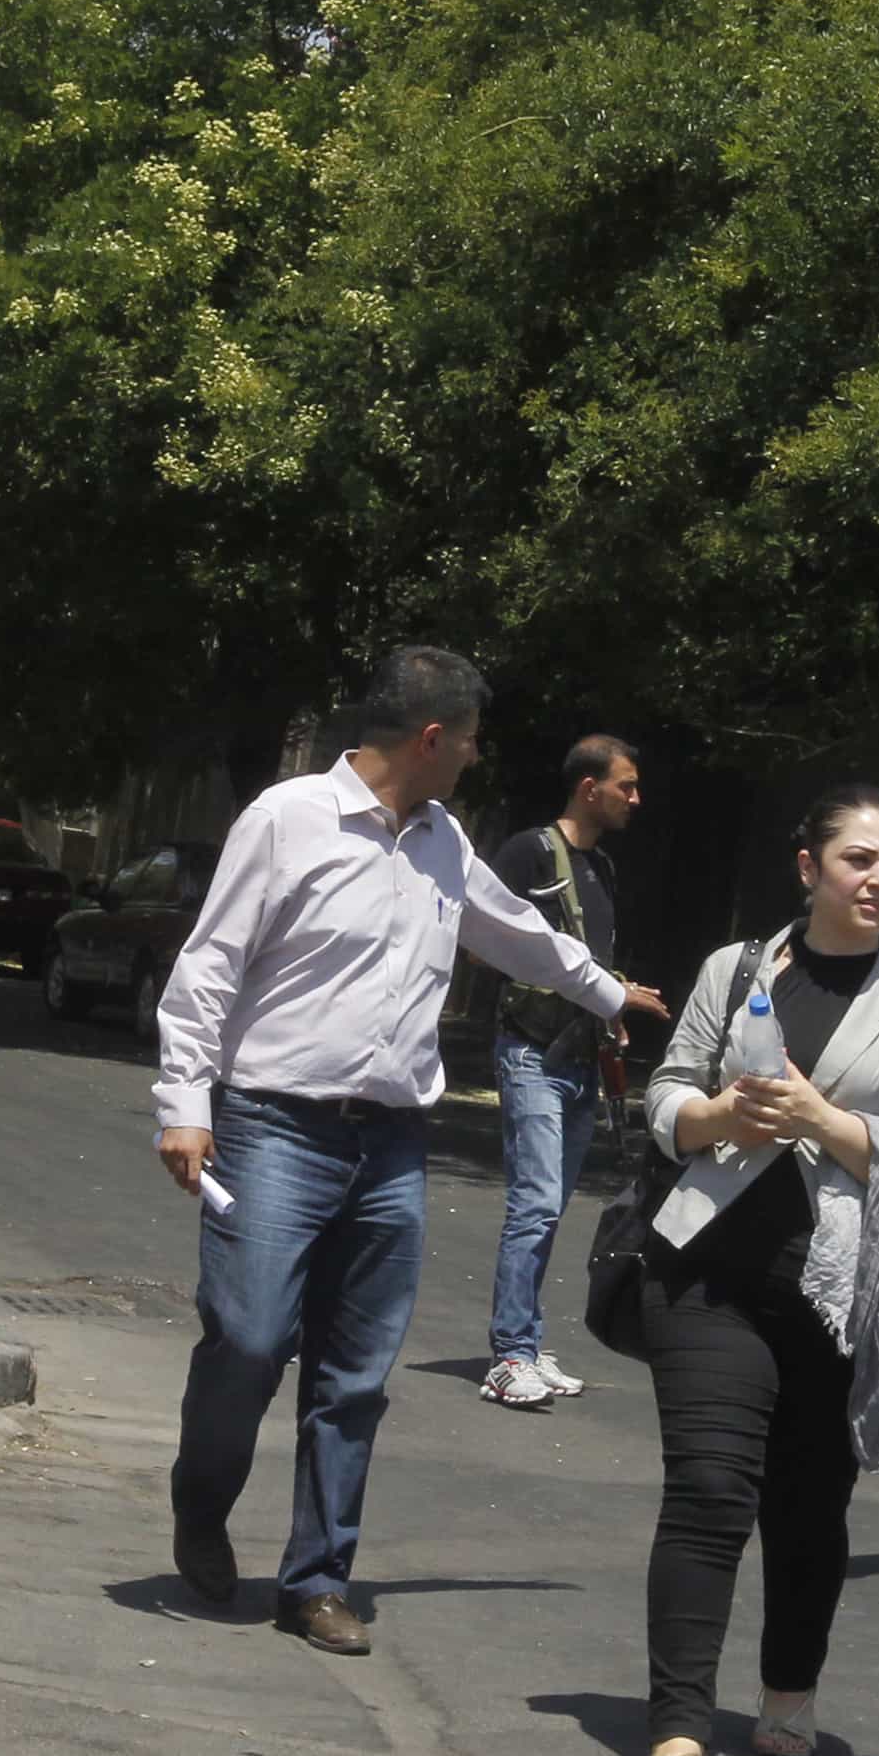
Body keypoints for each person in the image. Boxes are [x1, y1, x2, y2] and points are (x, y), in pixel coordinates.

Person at [152, 646, 640, 1657]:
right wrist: (184, 1104)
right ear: (430, 737)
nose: (471, 756)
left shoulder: (443, 841)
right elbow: (208, 968)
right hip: (274, 1126)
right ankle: (202, 1508)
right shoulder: (287, 820)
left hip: (391, 1145)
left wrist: (605, 990)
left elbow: (514, 931)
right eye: (467, 739)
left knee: (357, 1374)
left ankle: (317, 1580)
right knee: (248, 1343)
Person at [623, 787, 879, 1756]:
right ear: (809, 867)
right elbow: (666, 1093)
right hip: (706, 1270)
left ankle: (787, 1688)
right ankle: (679, 1730)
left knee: (807, 1505)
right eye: (860, 859)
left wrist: (821, 1117)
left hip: (836, 1290)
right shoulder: (735, 970)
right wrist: (715, 1114)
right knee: (710, 1490)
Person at [482, 733, 667, 1409]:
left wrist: (610, 1004)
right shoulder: (528, 852)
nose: (634, 798)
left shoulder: (601, 868)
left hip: (581, 1056)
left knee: (549, 1206)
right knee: (532, 1204)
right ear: (589, 788)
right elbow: (484, 944)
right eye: (626, 785)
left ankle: (524, 1343)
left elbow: (589, 963)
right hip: (530, 1051)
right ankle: (508, 1355)